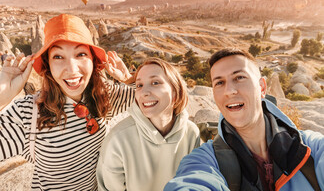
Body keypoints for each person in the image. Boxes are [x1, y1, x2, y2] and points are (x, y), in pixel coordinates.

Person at [0, 14, 135, 190]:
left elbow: (158, 98)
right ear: (47, 64)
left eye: (80, 54)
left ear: (93, 61)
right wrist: (2, 96)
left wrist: (130, 80)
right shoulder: (28, 113)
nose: (71, 69)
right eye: (58, 56)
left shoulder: (104, 95)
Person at [165, 48, 324, 191]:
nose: (229, 91)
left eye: (239, 77)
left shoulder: (311, 148)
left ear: (262, 87)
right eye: (219, 82)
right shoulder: (206, 160)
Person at [97, 57, 200, 191]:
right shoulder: (118, 139)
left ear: (175, 92)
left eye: (155, 82)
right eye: (139, 85)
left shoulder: (191, 133)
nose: (144, 93)